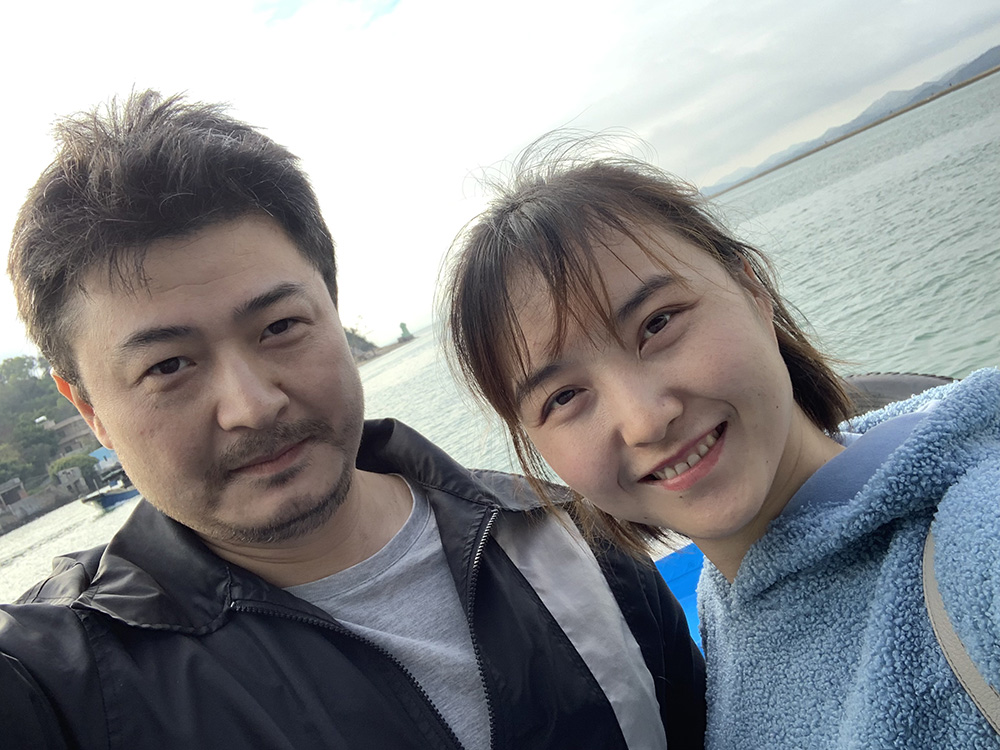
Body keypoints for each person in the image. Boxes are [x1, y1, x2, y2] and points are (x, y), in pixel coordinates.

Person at [0, 94, 706, 750]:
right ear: (89, 410)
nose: (253, 405)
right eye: (168, 366)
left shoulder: (569, 535)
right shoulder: (63, 685)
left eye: (280, 326)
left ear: (333, 309)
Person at [441, 139, 1000, 748]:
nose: (645, 421)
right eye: (565, 397)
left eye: (657, 324)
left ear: (754, 292)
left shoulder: (977, 543)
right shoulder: (728, 592)